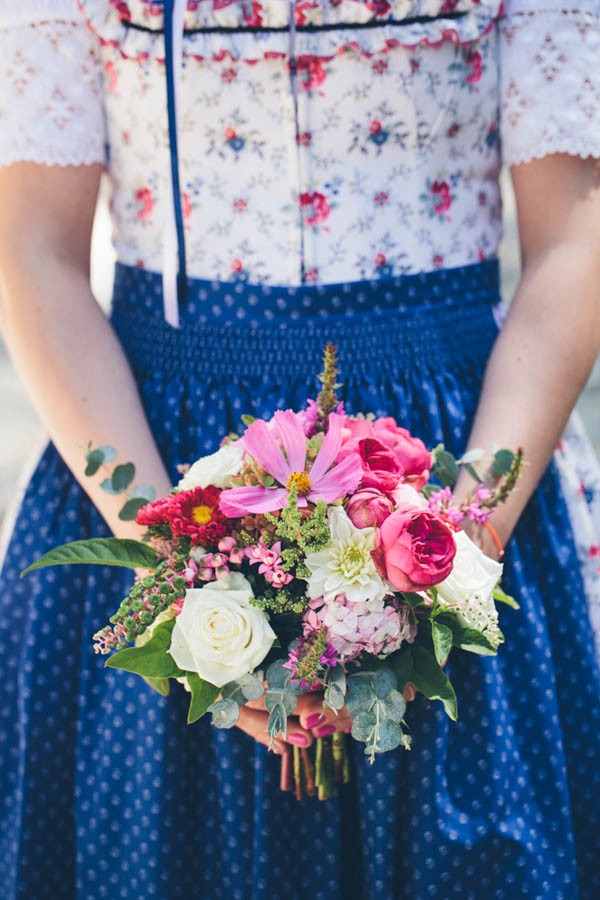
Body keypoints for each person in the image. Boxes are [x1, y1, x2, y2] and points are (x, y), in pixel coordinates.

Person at [0, 0, 599, 897]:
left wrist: (464, 535)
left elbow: (576, 230)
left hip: (451, 458)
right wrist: (169, 566)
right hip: (158, 460)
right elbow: (33, 246)